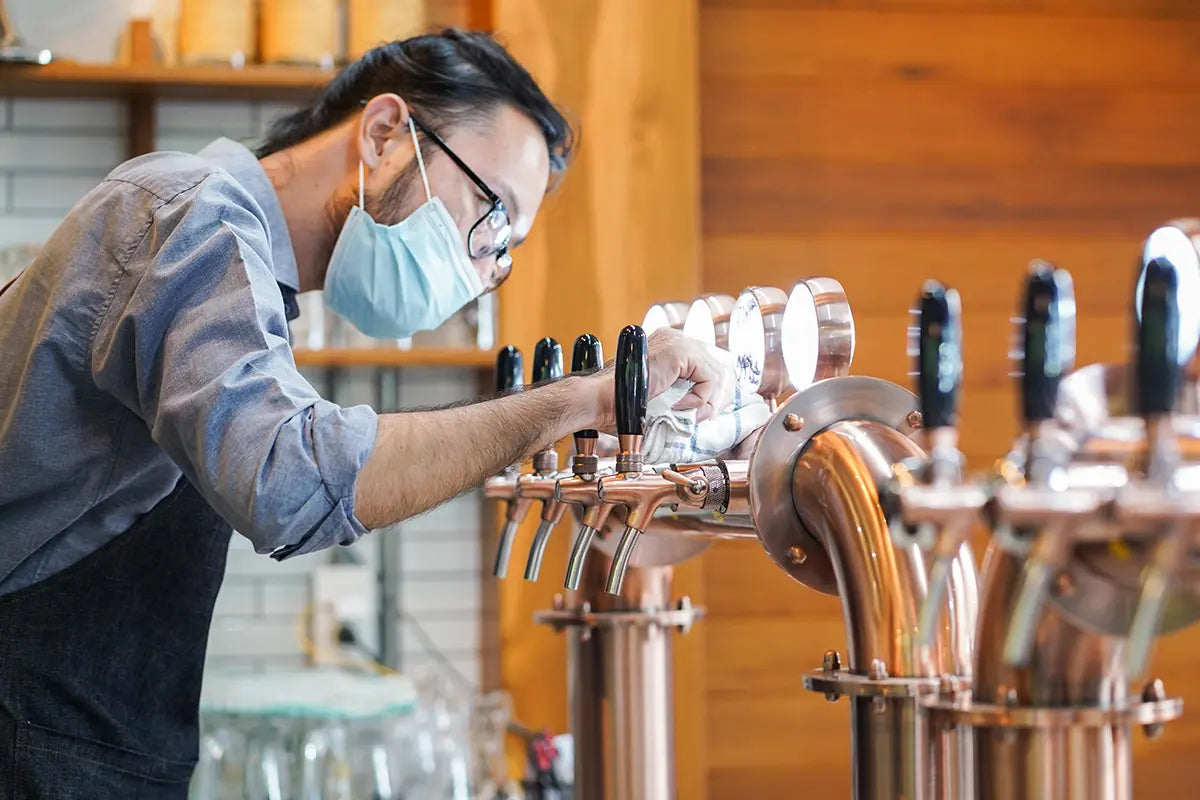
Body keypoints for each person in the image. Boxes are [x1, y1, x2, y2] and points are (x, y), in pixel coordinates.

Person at [0, 29, 733, 798]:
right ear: (384, 135)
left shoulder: (238, 273)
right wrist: (586, 396)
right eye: (490, 216)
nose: (481, 272)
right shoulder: (189, 218)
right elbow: (287, 483)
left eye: (504, 251)